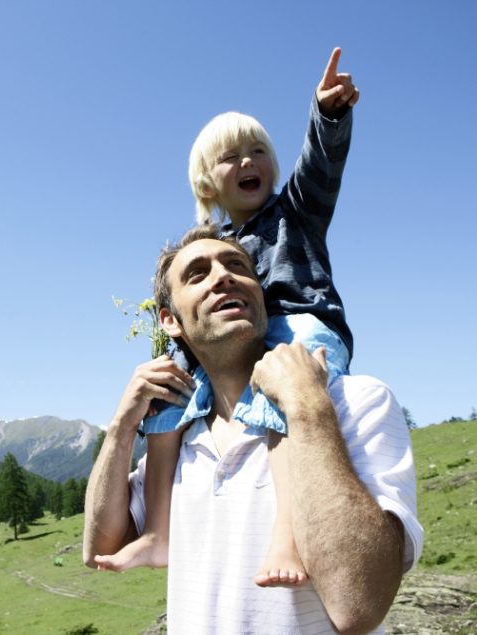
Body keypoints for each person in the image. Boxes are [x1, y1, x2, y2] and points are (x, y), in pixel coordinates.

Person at [94, 47, 360, 586]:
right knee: (167, 393)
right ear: (206, 185)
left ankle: (288, 530)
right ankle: (160, 532)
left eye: (258, 150)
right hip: (242, 341)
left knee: (281, 387)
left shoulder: (295, 212)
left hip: (302, 325)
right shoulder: (217, 245)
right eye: (230, 157)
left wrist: (327, 115)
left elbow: (320, 167)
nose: (247, 162)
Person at [83, 226, 423, 634]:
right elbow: (99, 547)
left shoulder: (356, 402)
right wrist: (122, 424)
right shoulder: (175, 439)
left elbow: (359, 607)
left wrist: (307, 407)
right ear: (170, 321)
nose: (223, 276)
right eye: (197, 273)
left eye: (236, 266)